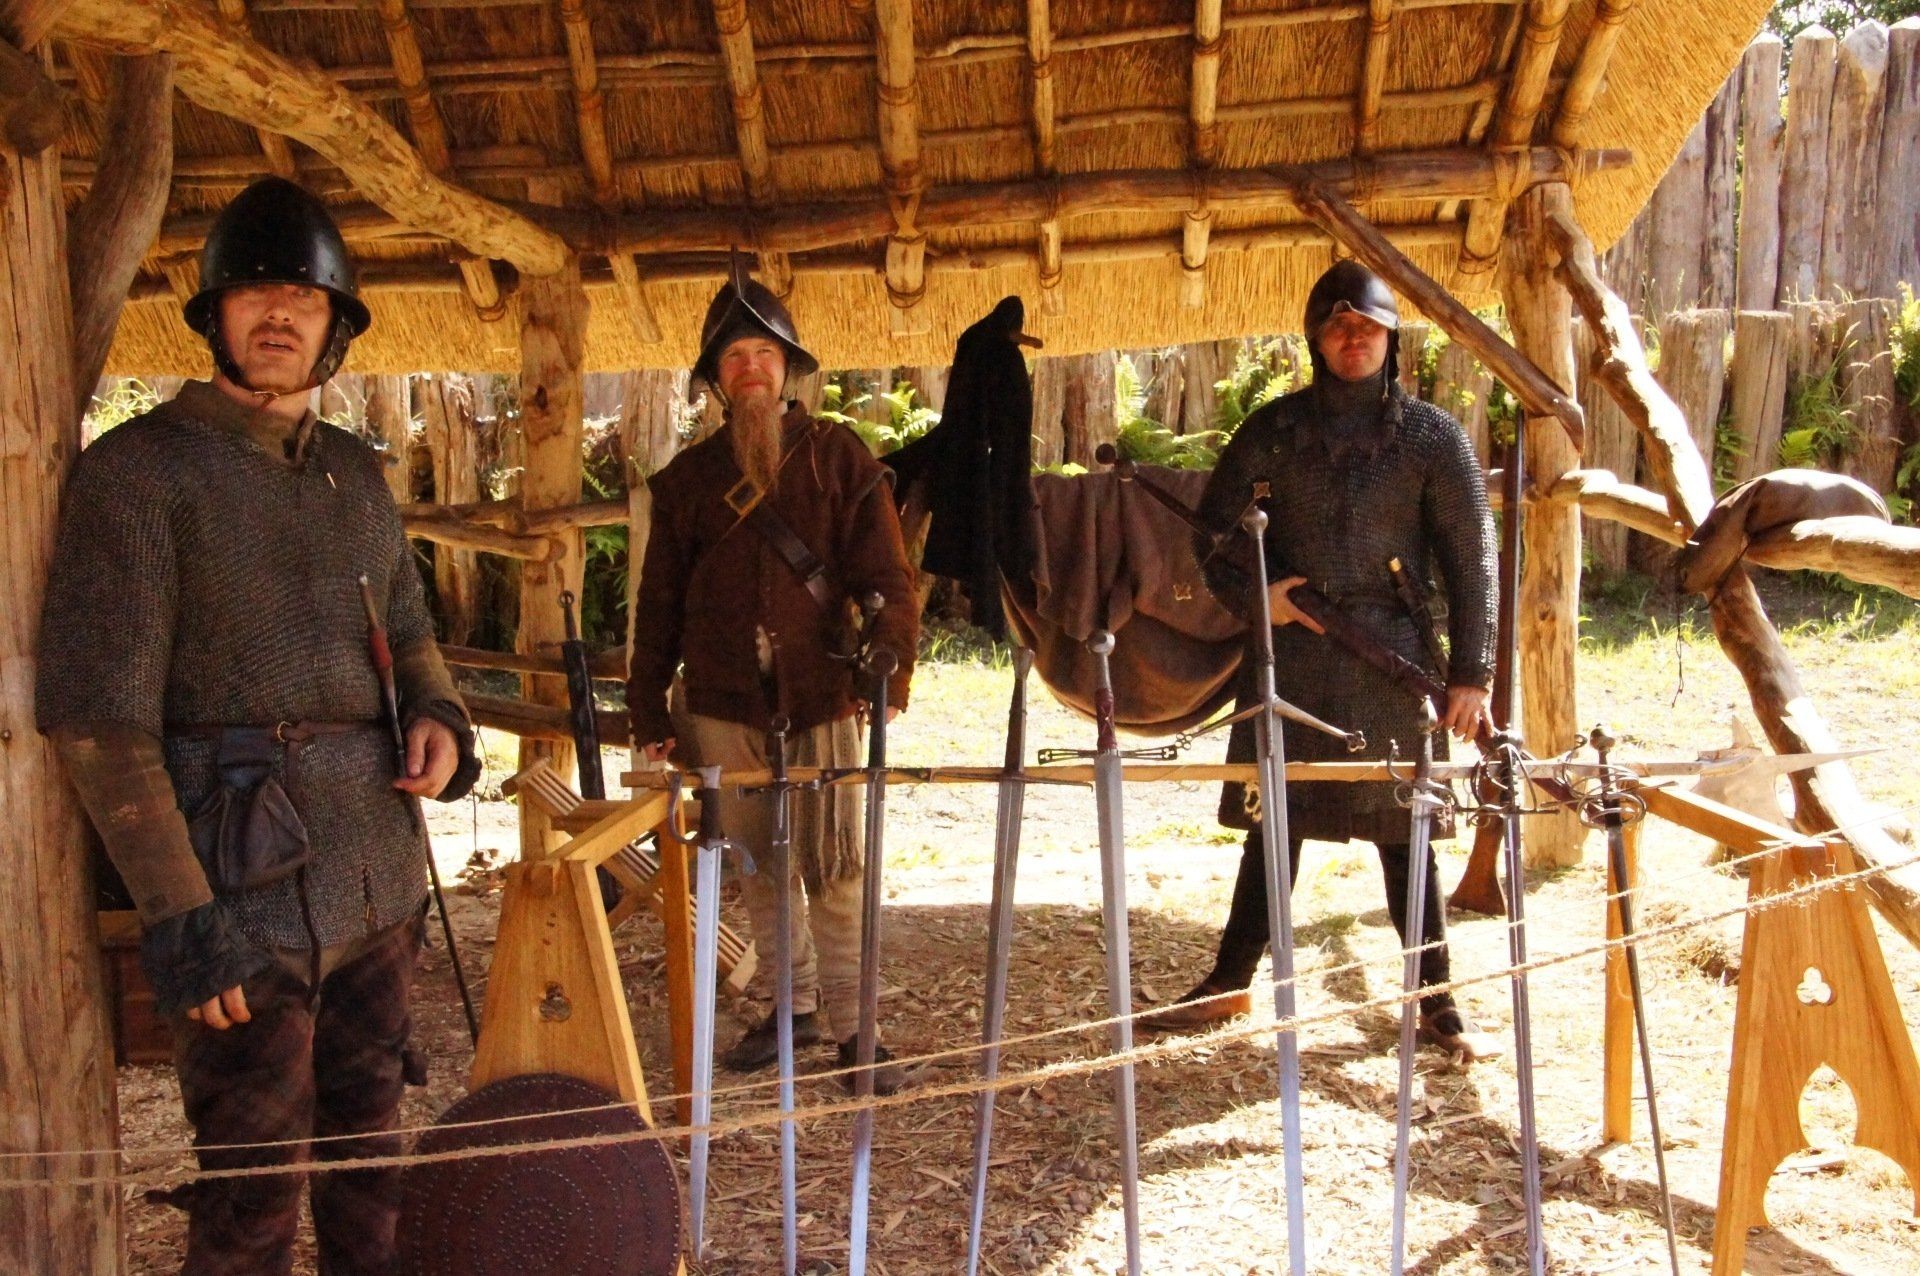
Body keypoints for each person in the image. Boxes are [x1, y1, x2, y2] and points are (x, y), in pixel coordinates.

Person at [36, 176, 480, 1274]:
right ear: (214, 315)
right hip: (236, 887)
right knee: (251, 1193)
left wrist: (439, 716)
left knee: (370, 1174)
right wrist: (185, 919)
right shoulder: (136, 478)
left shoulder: (355, 477)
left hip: (375, 875)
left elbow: (413, 626)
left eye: (303, 297)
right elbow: (101, 723)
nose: (279, 314)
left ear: (335, 325)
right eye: (254, 293)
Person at [1138, 259, 1501, 1060]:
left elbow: (1473, 558)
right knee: (1278, 822)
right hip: (1296, 654)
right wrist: (1259, 603)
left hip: (1391, 656)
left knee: (1405, 829)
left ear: (1391, 338)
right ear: (1315, 337)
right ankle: (1232, 978)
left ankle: (1434, 997)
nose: (1352, 338)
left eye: (1366, 327)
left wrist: (1471, 674)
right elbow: (1212, 536)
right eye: (1338, 326)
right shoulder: (1273, 431)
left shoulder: (1431, 439)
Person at [627, 271, 919, 1094]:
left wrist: (886, 669)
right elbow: (658, 605)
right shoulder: (687, 482)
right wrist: (647, 706)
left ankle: (855, 1030)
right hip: (720, 704)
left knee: (836, 868)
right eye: (734, 356)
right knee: (757, 864)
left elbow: (889, 581)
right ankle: (789, 1013)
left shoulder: (839, 458)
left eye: (765, 352)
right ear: (716, 379)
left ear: (788, 369)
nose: (751, 367)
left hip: (824, 693)